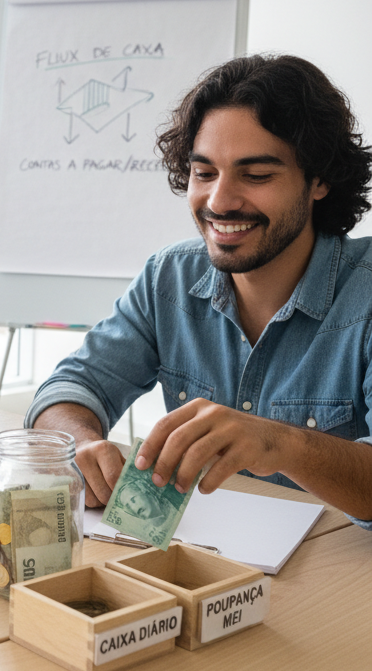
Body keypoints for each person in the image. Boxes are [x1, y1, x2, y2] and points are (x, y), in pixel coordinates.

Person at [27, 54, 372, 528]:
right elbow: (70, 389)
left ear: (319, 180)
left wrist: (279, 443)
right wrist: (81, 444)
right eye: (204, 172)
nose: (219, 201)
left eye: (256, 175)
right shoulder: (167, 278)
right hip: (206, 571)